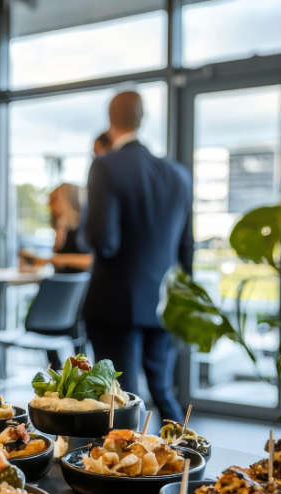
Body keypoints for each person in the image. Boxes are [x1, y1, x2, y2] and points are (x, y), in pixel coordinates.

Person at [83, 91, 193, 425]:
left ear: (110, 118)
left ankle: (124, 458)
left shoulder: (106, 166)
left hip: (115, 304)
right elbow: (186, 247)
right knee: (163, 392)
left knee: (119, 399)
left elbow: (104, 241)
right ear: (142, 119)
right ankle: (184, 452)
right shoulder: (178, 175)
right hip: (163, 304)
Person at [47, 183, 92, 273]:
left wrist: (57, 259)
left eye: (54, 200)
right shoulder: (63, 226)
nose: (50, 205)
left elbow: (90, 261)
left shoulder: (82, 227)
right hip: (62, 278)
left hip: (77, 279)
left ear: (64, 200)